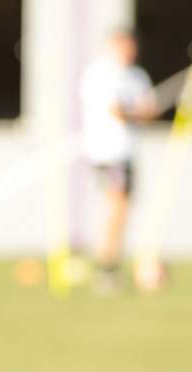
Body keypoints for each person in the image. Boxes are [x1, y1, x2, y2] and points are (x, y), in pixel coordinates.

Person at [80, 29, 156, 292]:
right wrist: (136, 112)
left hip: (128, 153)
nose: (129, 52)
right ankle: (106, 267)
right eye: (124, 47)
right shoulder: (100, 73)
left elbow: (148, 112)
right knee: (116, 205)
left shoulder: (138, 76)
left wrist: (139, 113)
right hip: (107, 152)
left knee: (122, 209)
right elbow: (117, 111)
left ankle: (111, 263)